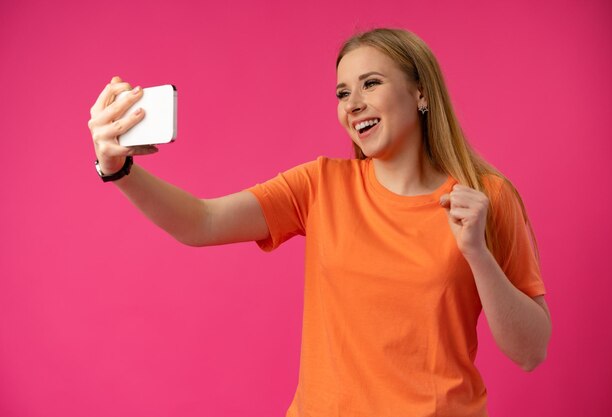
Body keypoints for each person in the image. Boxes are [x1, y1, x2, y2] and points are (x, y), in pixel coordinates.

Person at [88, 28, 552, 417]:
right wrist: (119, 170)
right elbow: (202, 222)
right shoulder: (321, 185)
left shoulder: (485, 196)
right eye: (342, 92)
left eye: (370, 83)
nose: (352, 104)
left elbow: (529, 352)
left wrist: (477, 254)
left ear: (421, 92)